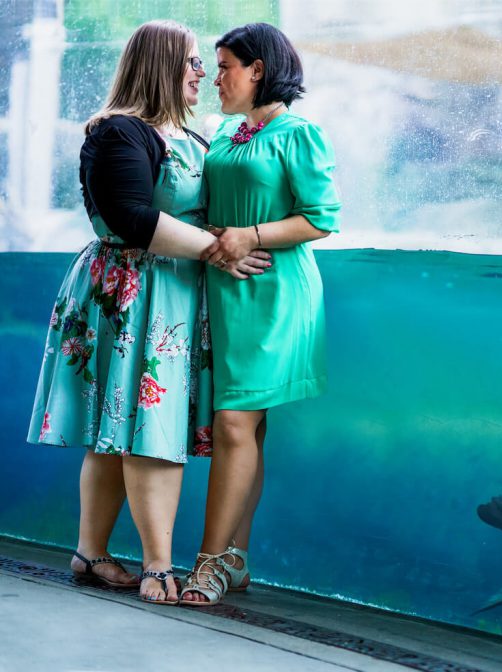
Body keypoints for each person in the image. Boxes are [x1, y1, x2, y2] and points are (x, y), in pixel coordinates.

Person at [25, 20, 271, 605]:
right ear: (160, 65)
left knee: (119, 430)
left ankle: (91, 552)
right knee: (148, 430)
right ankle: (158, 564)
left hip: (172, 294)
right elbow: (133, 218)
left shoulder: (190, 135)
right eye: (190, 62)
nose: (201, 73)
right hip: (135, 293)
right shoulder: (119, 132)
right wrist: (220, 250)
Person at [179, 23, 341, 606]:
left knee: (234, 425)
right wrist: (213, 243)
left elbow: (320, 218)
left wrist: (247, 235)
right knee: (245, 428)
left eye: (225, 66)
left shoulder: (299, 133)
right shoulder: (224, 134)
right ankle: (235, 559)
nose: (214, 77)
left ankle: (205, 565)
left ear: (259, 71)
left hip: (274, 294)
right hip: (222, 289)